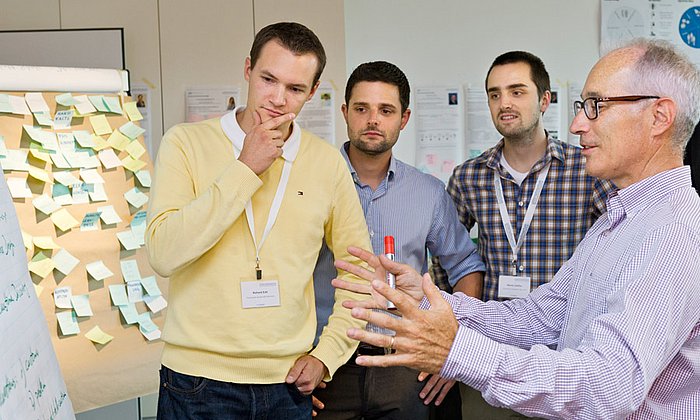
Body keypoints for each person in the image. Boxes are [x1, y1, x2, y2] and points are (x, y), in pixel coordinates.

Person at [334, 38, 700, 419]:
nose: (577, 125)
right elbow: (538, 318)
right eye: (582, 108)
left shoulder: (669, 233)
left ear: (659, 117)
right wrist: (422, 300)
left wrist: (457, 350)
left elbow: (604, 387)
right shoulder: (617, 222)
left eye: (596, 107)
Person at [145, 22, 372, 418]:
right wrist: (246, 167)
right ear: (248, 69)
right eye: (268, 79)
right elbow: (164, 253)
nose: (278, 99)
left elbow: (361, 275)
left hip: (287, 385)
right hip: (196, 382)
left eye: (296, 89)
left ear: (313, 92)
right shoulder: (185, 143)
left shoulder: (326, 162)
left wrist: (327, 355)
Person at [432, 50, 615, 418]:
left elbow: (619, 244)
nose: (505, 103)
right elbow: (443, 258)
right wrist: (448, 334)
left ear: (544, 99)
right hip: (489, 355)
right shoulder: (470, 176)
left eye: (517, 91)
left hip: (563, 354)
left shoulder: (586, 169)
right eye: (495, 94)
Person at [311, 61, 485, 420]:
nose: (373, 120)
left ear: (404, 119)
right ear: (345, 113)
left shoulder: (428, 193)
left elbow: (466, 266)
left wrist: (452, 348)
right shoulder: (311, 184)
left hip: (404, 363)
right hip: (328, 366)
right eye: (362, 109)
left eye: (386, 110)